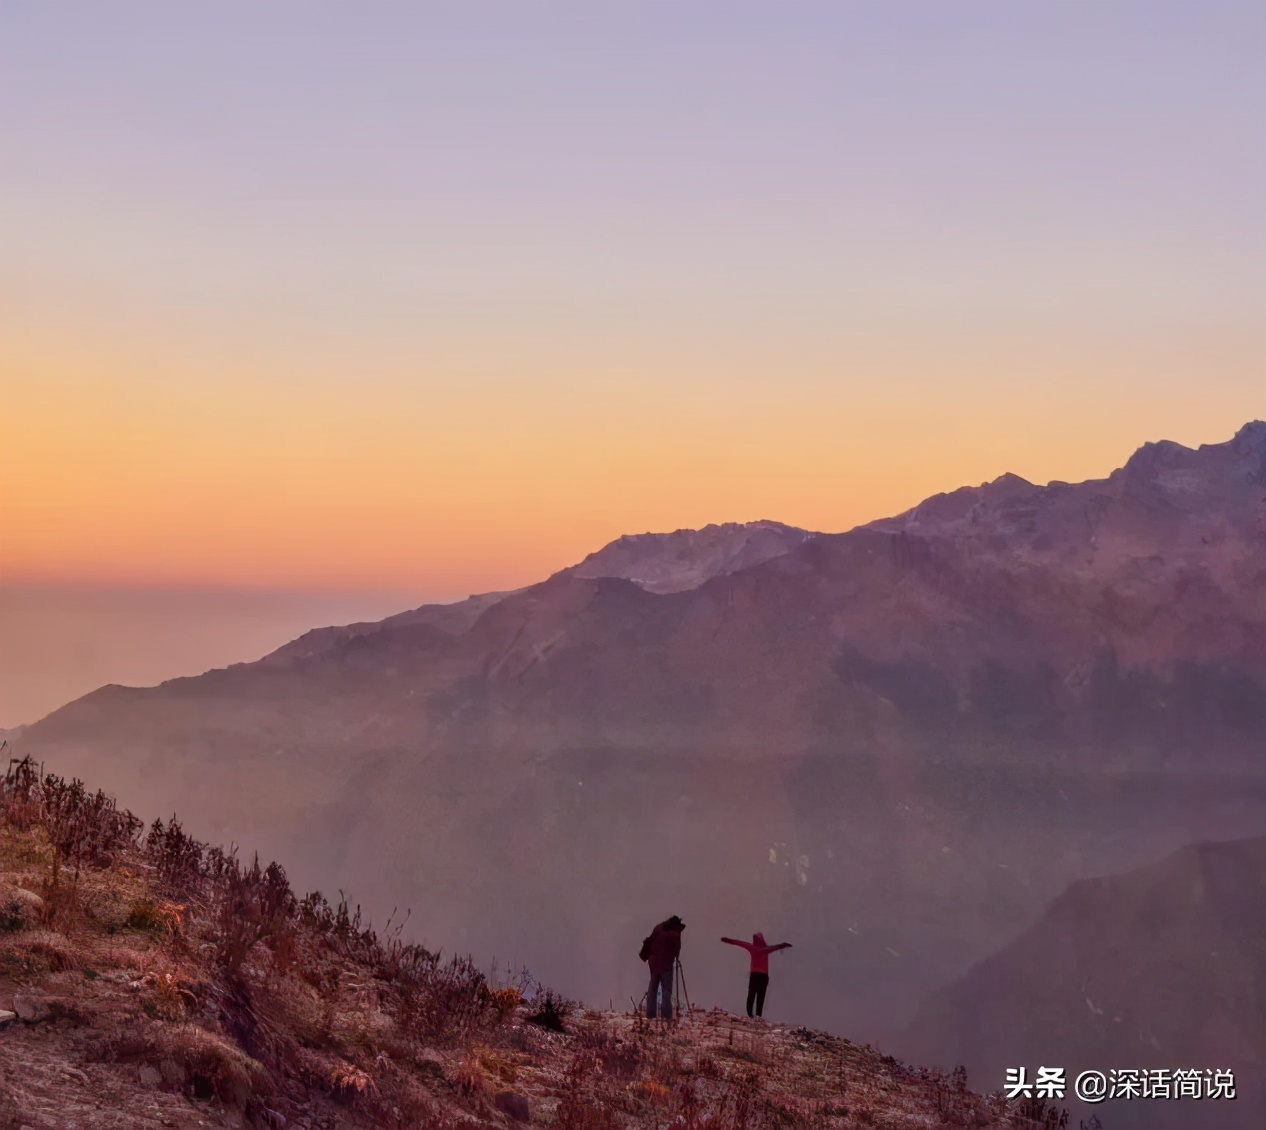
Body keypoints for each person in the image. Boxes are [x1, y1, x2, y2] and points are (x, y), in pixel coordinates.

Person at [721, 932, 792, 1018]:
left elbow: (739, 943)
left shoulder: (752, 948)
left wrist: (728, 940)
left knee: (751, 995)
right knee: (760, 996)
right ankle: (758, 1015)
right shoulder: (766, 949)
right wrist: (784, 945)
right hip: (763, 976)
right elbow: (776, 947)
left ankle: (750, 1014)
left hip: (754, 975)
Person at [640, 915, 685, 1019]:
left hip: (654, 963)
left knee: (652, 990)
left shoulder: (658, 929)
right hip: (666, 966)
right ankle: (666, 1016)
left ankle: (650, 1015)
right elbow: (676, 951)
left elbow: (650, 942)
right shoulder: (674, 935)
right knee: (666, 992)